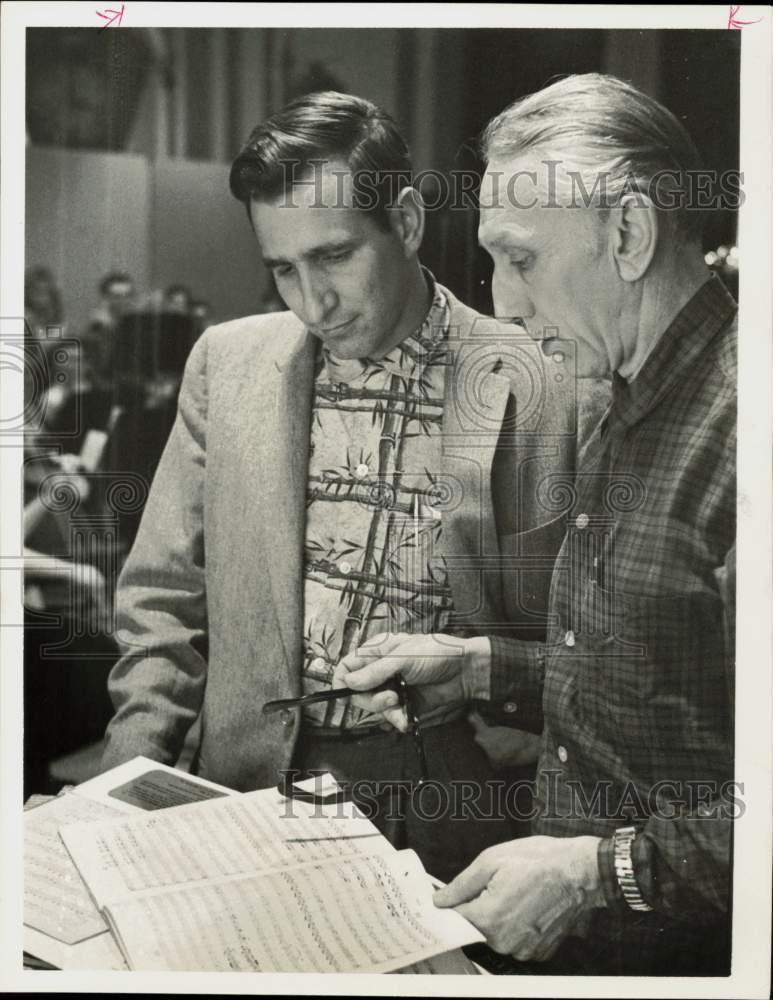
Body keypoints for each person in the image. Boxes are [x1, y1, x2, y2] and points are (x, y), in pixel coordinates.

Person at [99, 91, 585, 883]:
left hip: (449, 803)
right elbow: (159, 601)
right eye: (282, 269)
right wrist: (122, 785)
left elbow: (579, 645)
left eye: (333, 256)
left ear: (405, 221)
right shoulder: (227, 363)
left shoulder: (540, 379)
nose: (310, 302)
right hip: (243, 790)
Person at [338, 74, 736, 974]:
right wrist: (480, 667)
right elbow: (663, 668)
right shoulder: (614, 391)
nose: (504, 304)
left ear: (627, 233)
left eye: (520, 260)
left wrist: (597, 874)